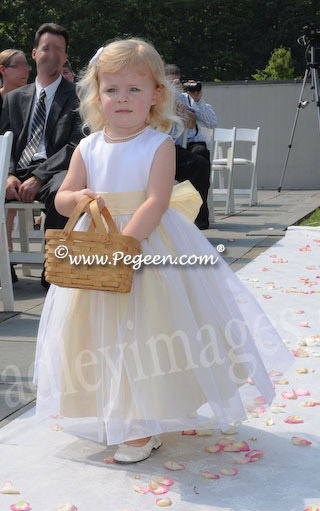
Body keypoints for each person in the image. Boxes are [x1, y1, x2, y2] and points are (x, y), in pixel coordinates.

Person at [33, 38, 293, 464]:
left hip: (145, 244)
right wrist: (80, 196)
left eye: (134, 89)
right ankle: (114, 411)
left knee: (147, 332)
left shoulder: (157, 145)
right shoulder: (89, 146)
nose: (122, 99)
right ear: (98, 94)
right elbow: (61, 199)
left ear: (156, 94)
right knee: (97, 333)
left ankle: (142, 422)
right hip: (96, 244)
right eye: (112, 89)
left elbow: (155, 200)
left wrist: (126, 247)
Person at [0, 23, 83, 288]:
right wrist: (9, 173)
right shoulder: (14, 99)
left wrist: (39, 175)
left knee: (64, 193)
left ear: (66, 56)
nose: (53, 54)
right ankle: (4, 267)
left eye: (60, 49)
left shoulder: (78, 97)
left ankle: (53, 268)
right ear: (35, 53)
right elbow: (4, 142)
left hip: (55, 171)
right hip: (17, 171)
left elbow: (75, 146)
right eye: (47, 48)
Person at [0, 49, 31, 282]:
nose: (27, 70)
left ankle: (6, 258)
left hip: (19, 166)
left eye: (27, 65)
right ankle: (5, 259)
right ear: (3, 70)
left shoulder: (29, 100)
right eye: (19, 65)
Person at [165, 63, 217, 162]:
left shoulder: (187, 98)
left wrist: (198, 101)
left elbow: (212, 122)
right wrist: (173, 94)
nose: (174, 86)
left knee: (201, 153)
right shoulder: (158, 100)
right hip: (173, 146)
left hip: (191, 144)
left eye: (176, 83)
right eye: (170, 83)